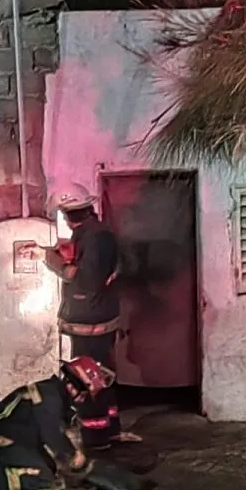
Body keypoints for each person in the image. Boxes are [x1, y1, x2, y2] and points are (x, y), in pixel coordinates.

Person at [43, 183, 142, 450]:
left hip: (91, 323)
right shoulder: (89, 234)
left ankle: (96, 437)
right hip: (94, 320)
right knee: (102, 374)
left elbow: (87, 280)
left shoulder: (96, 237)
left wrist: (56, 263)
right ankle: (110, 430)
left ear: (67, 214)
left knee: (88, 377)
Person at [0, 357, 114, 490]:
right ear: (72, 387)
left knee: (50, 469)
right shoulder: (50, 398)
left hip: (17, 441)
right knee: (42, 479)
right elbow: (52, 435)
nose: (83, 400)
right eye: (84, 394)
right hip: (3, 444)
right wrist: (73, 456)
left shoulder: (52, 393)